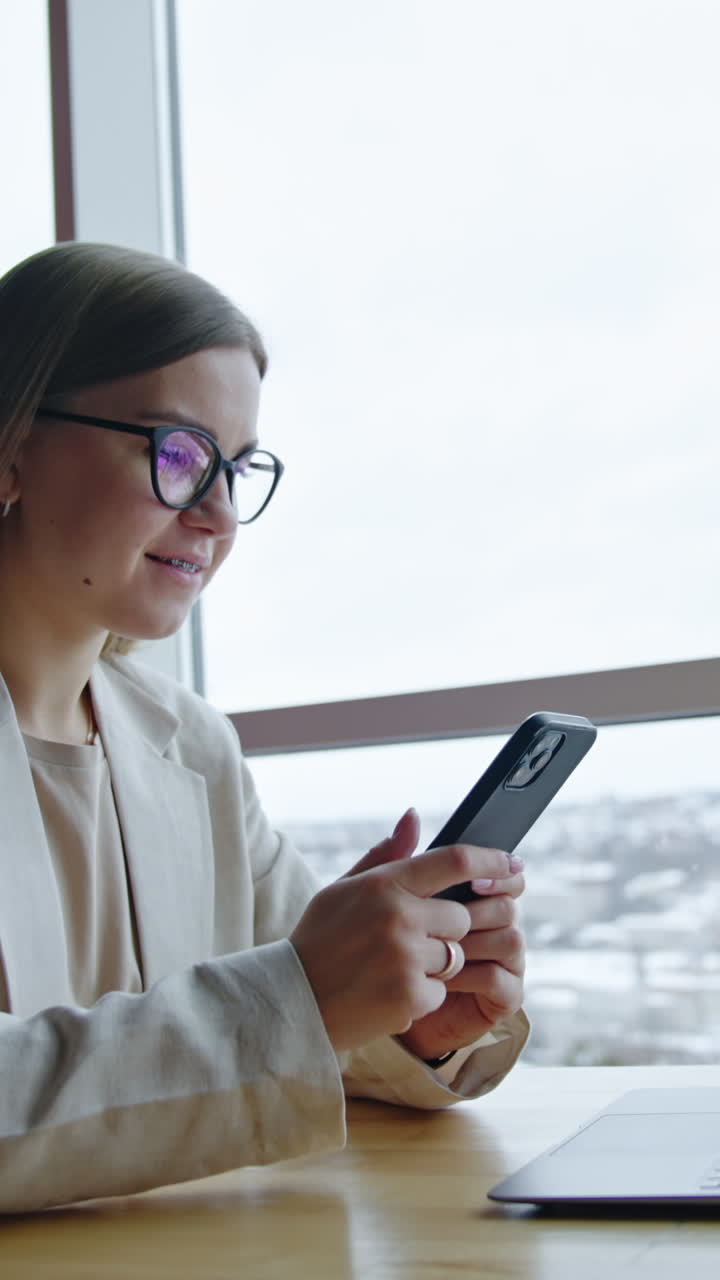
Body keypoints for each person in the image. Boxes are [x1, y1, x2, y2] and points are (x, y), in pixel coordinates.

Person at [0, 241, 529, 1213]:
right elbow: (271, 1014)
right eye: (176, 452)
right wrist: (306, 995)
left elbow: (285, 1014)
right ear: (13, 444)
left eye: (237, 468)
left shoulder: (190, 746)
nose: (218, 514)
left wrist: (414, 1008)